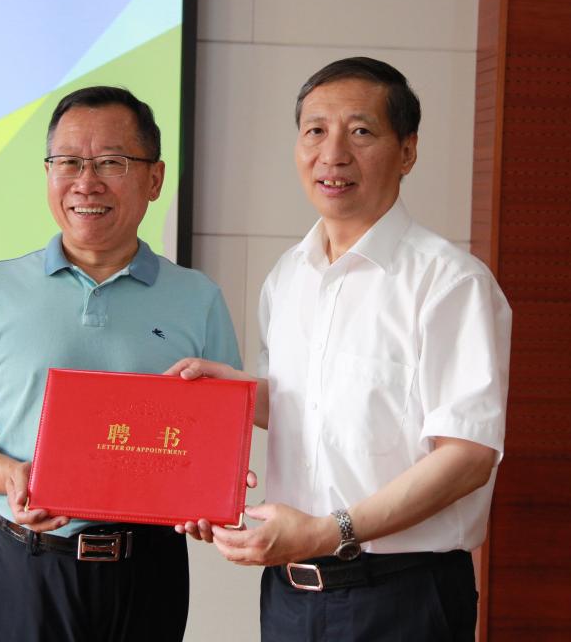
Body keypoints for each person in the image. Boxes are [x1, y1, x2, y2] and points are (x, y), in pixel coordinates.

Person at [167, 57, 511, 641]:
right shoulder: (288, 276)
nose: (333, 154)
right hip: (289, 595)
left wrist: (331, 531)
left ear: (407, 151)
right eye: (315, 131)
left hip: (402, 597)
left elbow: (468, 456)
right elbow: (312, 405)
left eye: (361, 131)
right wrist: (235, 395)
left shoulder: (450, 282)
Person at [0, 85, 242, 642]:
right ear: (48, 174)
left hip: (148, 570)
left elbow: (217, 439)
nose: (85, 182)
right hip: (23, 567)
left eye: (111, 162)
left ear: (155, 178)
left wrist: (209, 495)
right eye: (67, 162)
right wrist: (10, 477)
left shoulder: (199, 298)